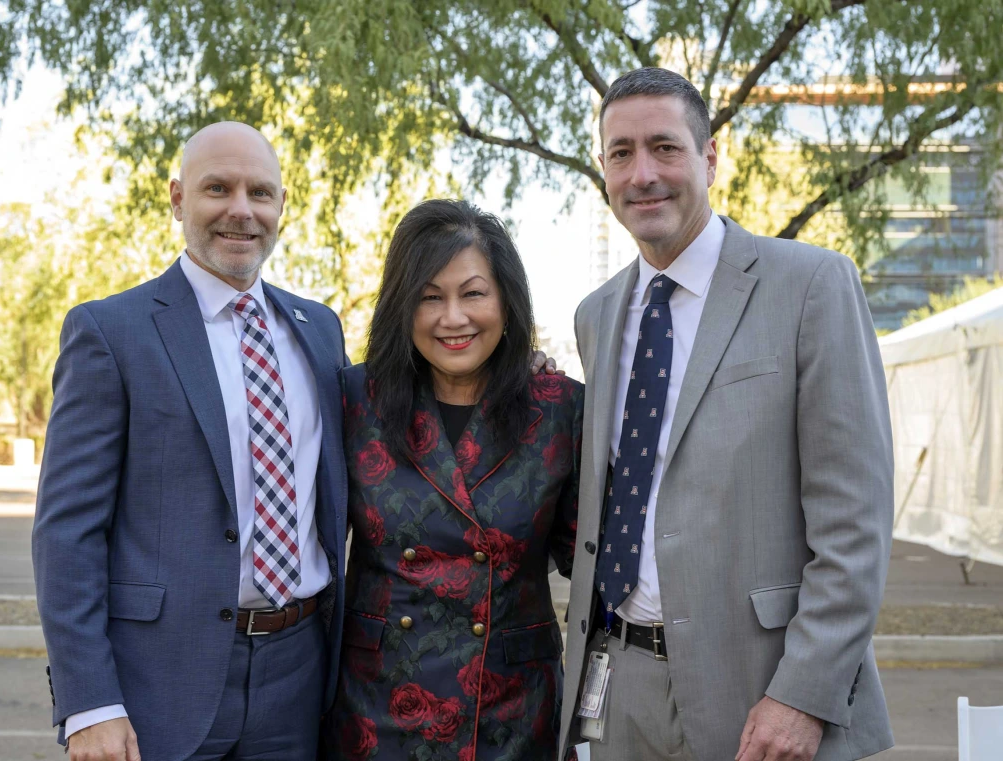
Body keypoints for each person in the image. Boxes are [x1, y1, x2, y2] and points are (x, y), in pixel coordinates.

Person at [558, 68, 895, 761]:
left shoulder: (811, 285)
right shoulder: (596, 317)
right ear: (604, 170)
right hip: (624, 687)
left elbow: (855, 524)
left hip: (762, 684)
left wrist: (802, 693)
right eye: (621, 153)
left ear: (710, 157)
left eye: (665, 147)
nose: (642, 173)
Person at [33, 122, 350, 761]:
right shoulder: (110, 331)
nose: (241, 209)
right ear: (179, 200)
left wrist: (512, 363)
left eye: (260, 192)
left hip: (301, 676)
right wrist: (89, 700)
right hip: (161, 683)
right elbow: (67, 533)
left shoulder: (319, 330)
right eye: (218, 188)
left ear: (281, 207)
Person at [323, 199, 583, 761]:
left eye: (473, 293)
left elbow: (591, 559)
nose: (453, 318)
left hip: (511, 715)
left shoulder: (561, 408)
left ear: (507, 303)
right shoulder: (352, 401)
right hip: (380, 708)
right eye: (429, 297)